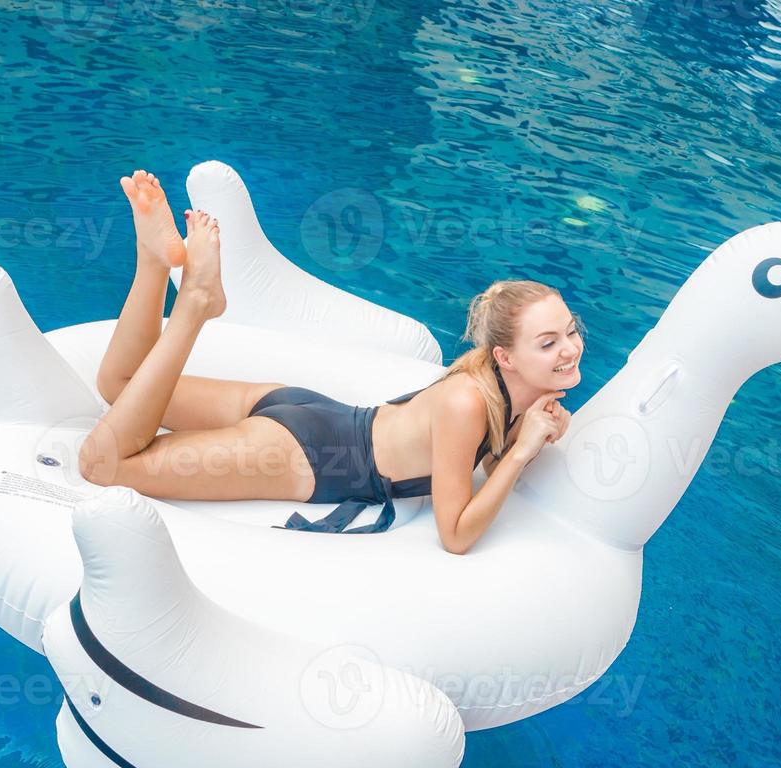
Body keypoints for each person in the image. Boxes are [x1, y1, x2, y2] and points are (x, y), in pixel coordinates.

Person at [79, 170, 584, 554]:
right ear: (505, 357)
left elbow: (485, 459)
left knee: (118, 382)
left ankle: (152, 262)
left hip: (314, 414)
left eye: (569, 332)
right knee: (102, 465)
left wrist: (525, 435)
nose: (569, 348)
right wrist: (520, 454)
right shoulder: (467, 402)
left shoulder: (499, 388)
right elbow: (454, 535)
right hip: (308, 455)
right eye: (547, 342)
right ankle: (195, 305)